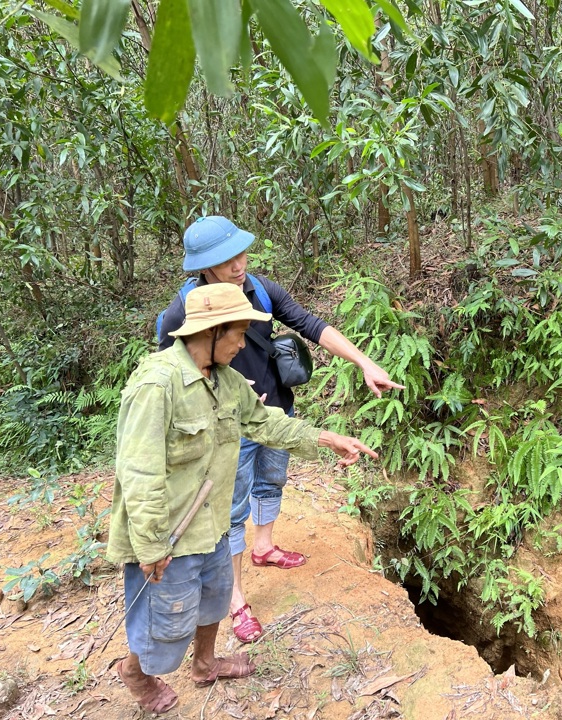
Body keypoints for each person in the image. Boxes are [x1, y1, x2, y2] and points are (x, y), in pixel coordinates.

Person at [109, 283, 377, 715]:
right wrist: (151, 543)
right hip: (170, 529)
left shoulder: (227, 380)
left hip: (212, 519)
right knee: (167, 616)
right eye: (238, 334)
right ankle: (136, 672)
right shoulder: (157, 385)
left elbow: (265, 423)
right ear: (211, 332)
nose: (243, 344)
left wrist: (325, 438)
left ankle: (205, 663)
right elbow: (139, 472)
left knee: (215, 598)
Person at [158, 216, 403, 643]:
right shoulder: (185, 309)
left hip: (278, 415)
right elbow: (171, 369)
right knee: (231, 510)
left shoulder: (261, 289)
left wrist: (364, 362)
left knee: (272, 482)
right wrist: (220, 384)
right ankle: (235, 599)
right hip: (230, 428)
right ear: (203, 266)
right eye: (226, 259)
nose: (238, 264)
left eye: (241, 253)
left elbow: (312, 325)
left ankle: (265, 547)